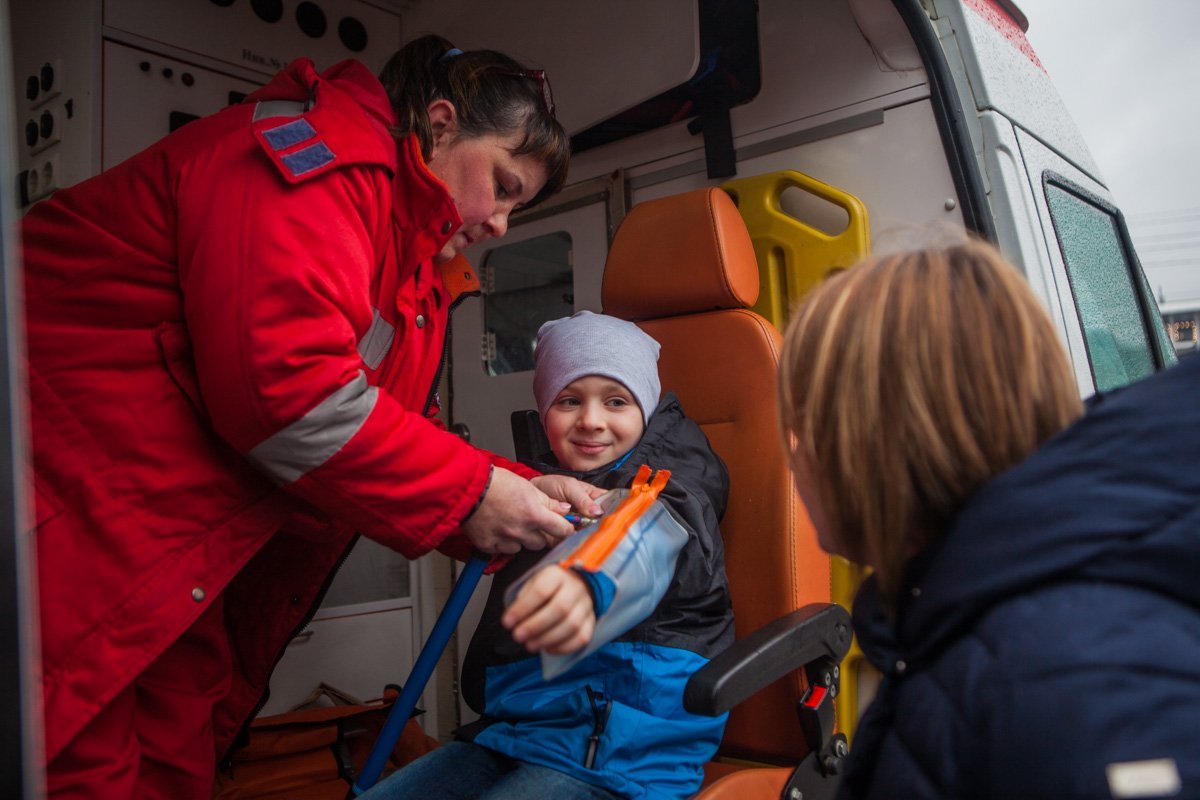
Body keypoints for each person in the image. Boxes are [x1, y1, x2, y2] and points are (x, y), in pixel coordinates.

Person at [24, 34, 605, 799]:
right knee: (80, 759)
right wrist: (473, 495)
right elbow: (287, 391)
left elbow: (386, 427)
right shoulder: (318, 167)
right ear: (438, 125)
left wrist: (517, 488)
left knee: (174, 749)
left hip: (171, 553)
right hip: (72, 524)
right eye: (501, 185)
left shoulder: (408, 265)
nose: (499, 222)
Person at [778, 238, 1200, 799]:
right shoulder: (963, 615)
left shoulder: (1063, 683)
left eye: (804, 425)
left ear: (873, 440)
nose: (794, 454)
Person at [365, 310, 735, 799]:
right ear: (544, 410)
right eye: (569, 400)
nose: (591, 420)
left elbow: (643, 537)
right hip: (523, 731)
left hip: (624, 747)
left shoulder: (666, 486)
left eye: (617, 401)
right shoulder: (535, 488)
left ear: (645, 409)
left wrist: (587, 581)